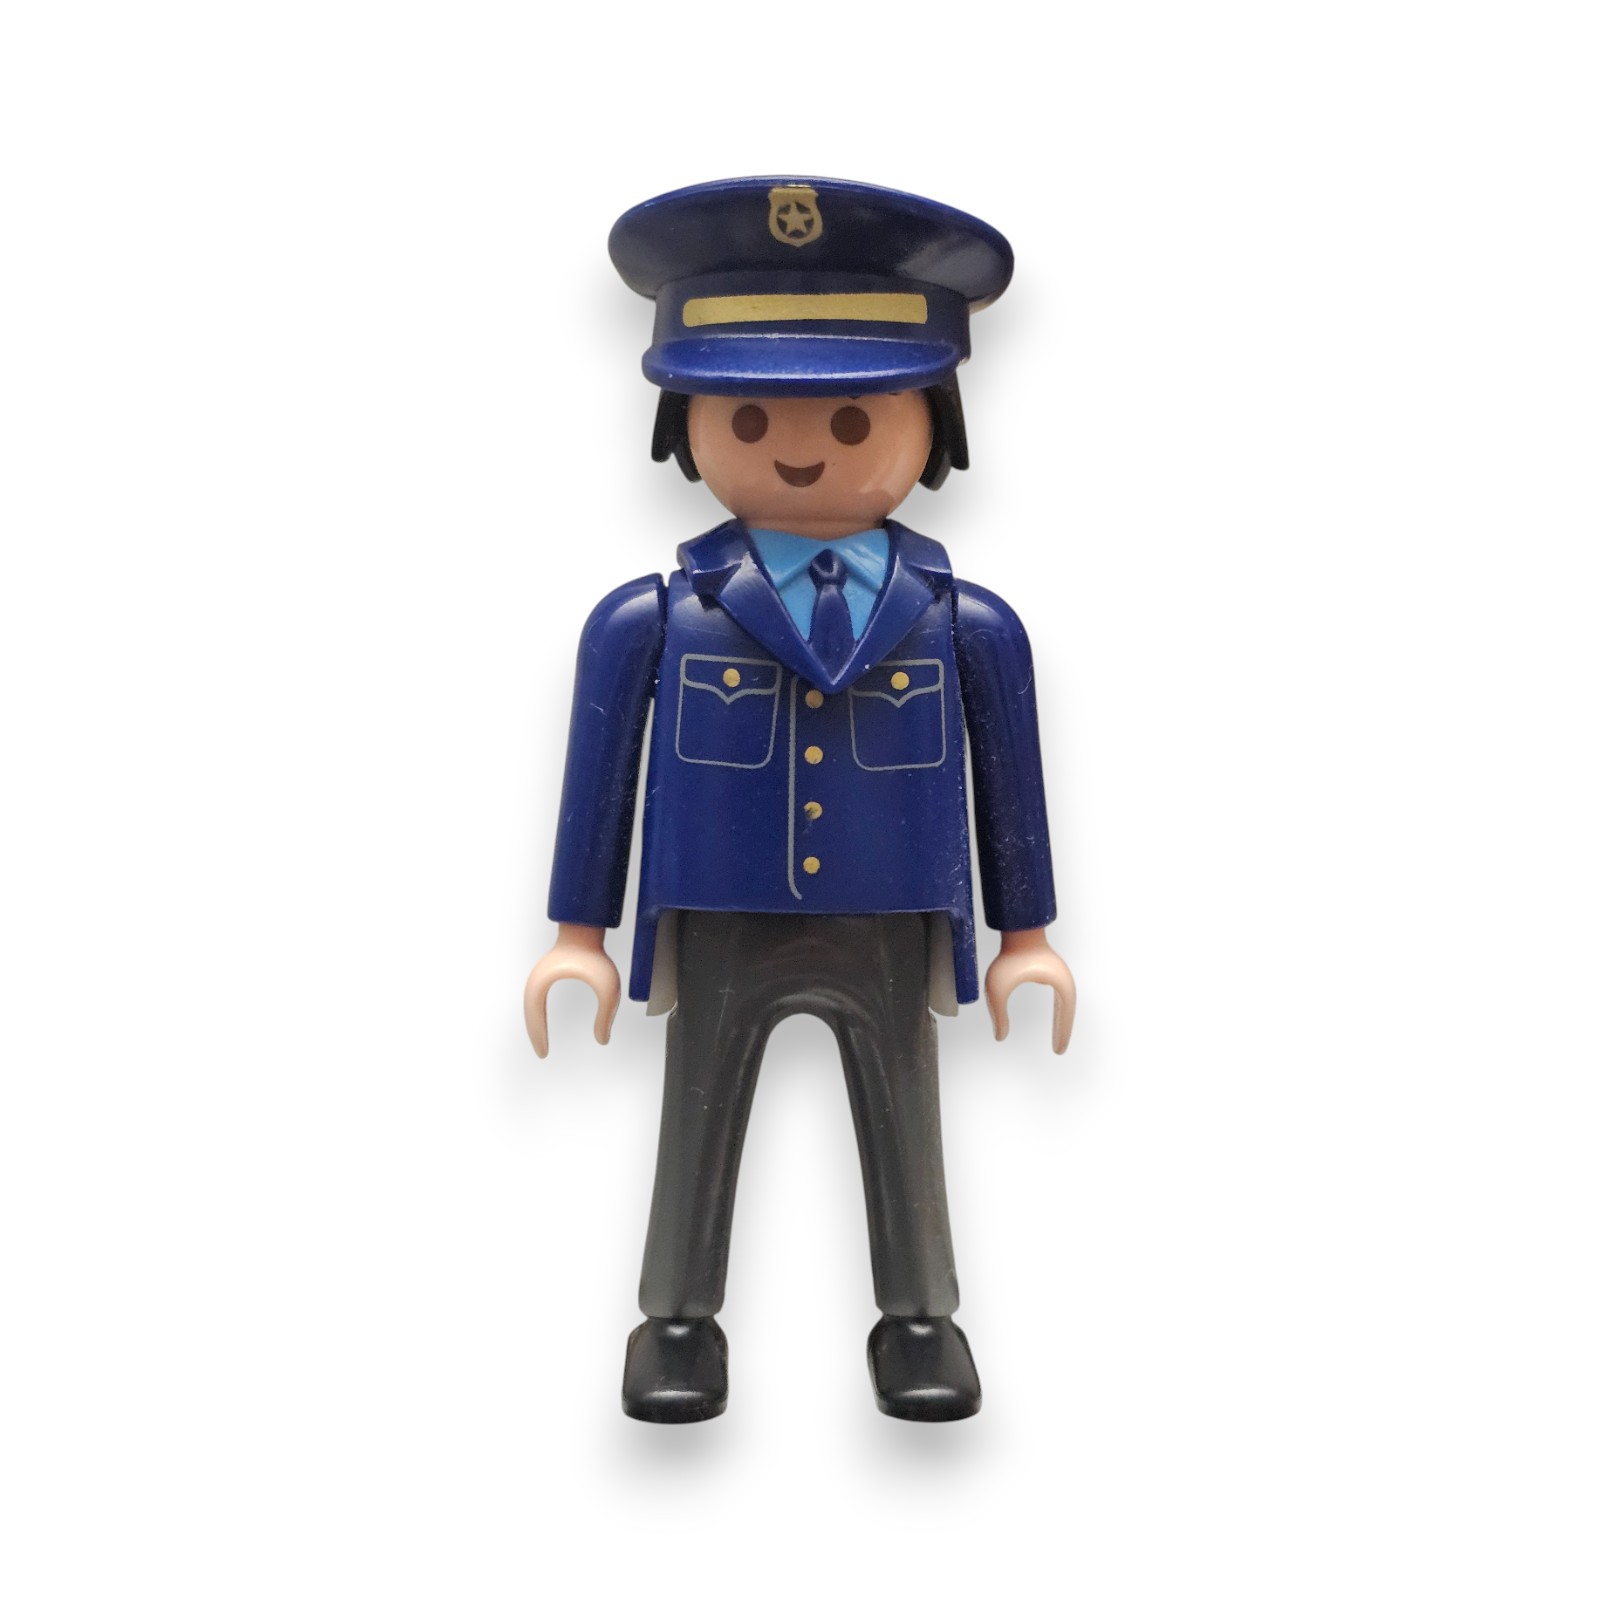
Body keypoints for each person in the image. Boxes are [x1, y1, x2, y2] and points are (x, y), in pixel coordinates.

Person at [524, 177, 1075, 1423]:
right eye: (750, 412)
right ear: (684, 426)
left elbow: (1013, 778)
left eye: (853, 415)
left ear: (934, 423)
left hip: (889, 913)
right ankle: (677, 1319)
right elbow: (598, 775)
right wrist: (578, 934)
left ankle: (918, 1315)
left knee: (904, 1111)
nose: (799, 445)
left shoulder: (963, 622)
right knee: (697, 1112)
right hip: (718, 910)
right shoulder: (654, 617)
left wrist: (1026, 935)